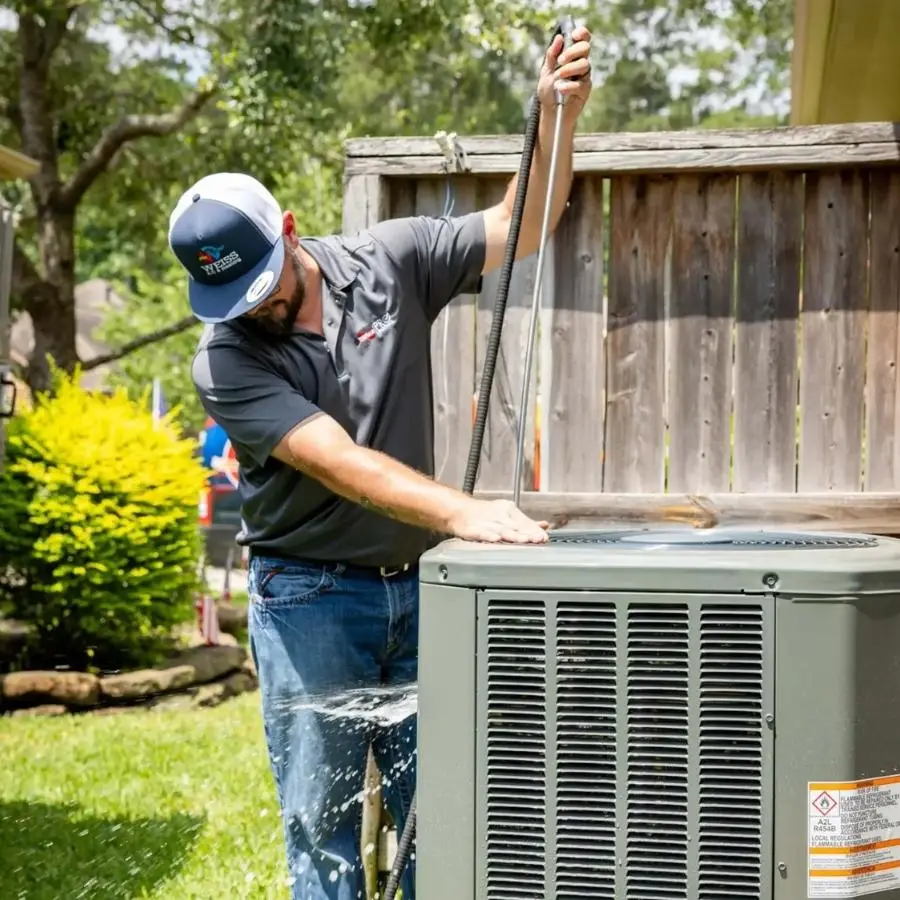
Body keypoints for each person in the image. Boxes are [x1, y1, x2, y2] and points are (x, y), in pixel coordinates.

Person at [168, 24, 593, 900]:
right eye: (230, 301)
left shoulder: (390, 260)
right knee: (323, 835)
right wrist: (461, 512)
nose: (254, 311)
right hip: (308, 600)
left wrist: (556, 118)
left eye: (263, 287)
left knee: (446, 817)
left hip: (420, 587)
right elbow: (336, 460)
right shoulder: (224, 360)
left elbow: (523, 221)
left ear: (287, 230)